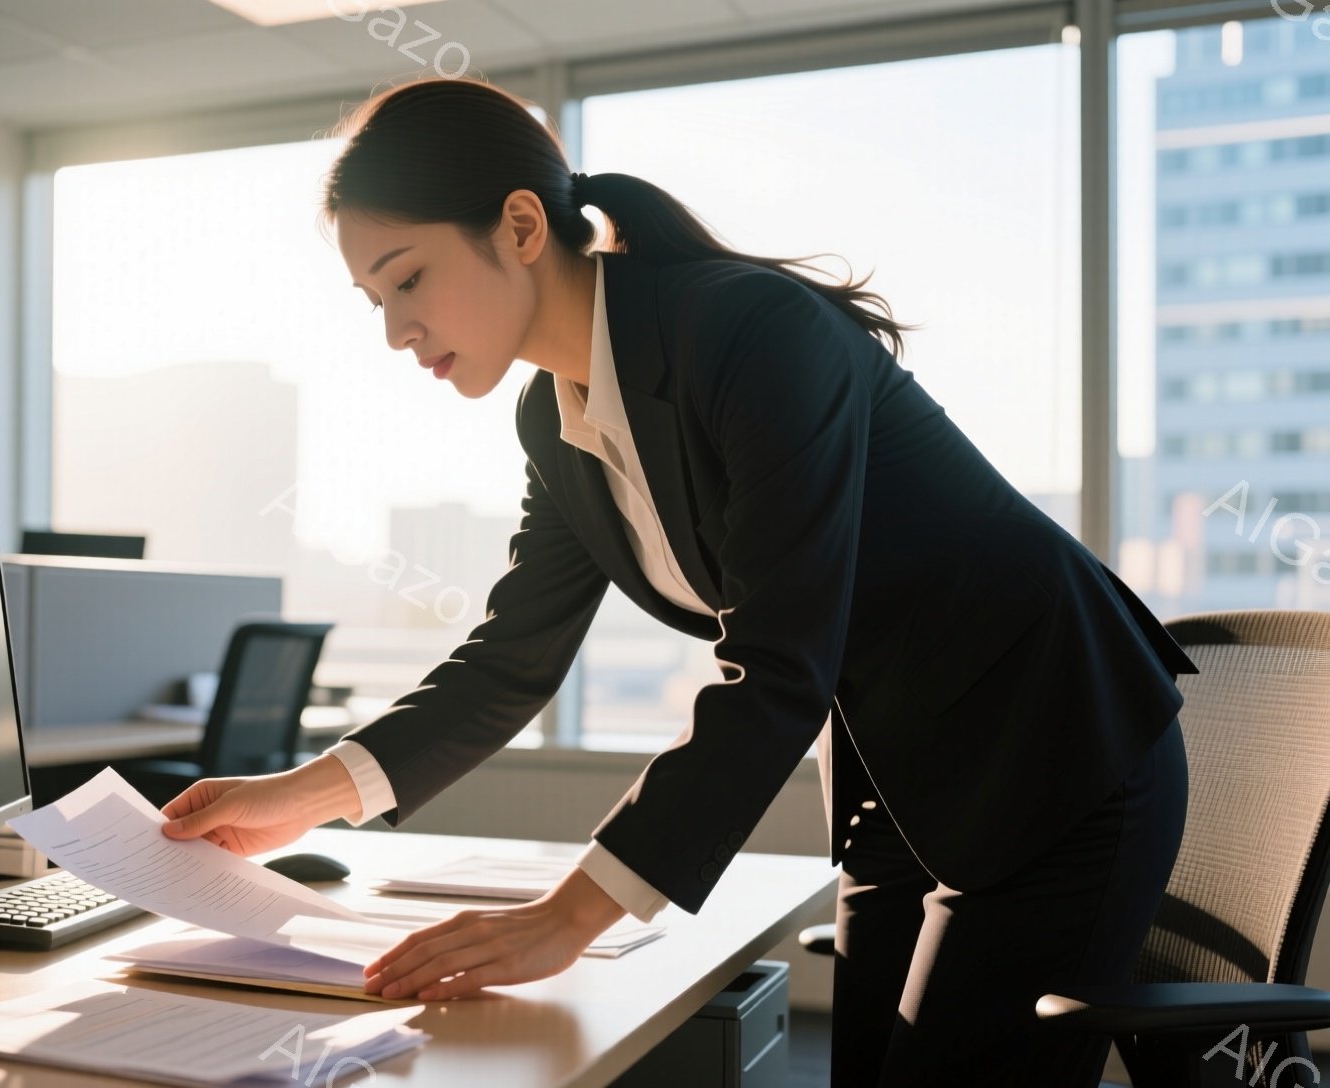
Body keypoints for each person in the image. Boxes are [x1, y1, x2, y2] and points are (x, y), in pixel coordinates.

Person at [159, 76, 1196, 1086]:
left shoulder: (751, 332)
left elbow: (778, 661)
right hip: (905, 786)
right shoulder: (553, 417)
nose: (395, 330)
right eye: (375, 298)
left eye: (408, 279)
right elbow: (510, 659)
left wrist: (569, 917)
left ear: (519, 226)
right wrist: (300, 795)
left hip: (1061, 750)